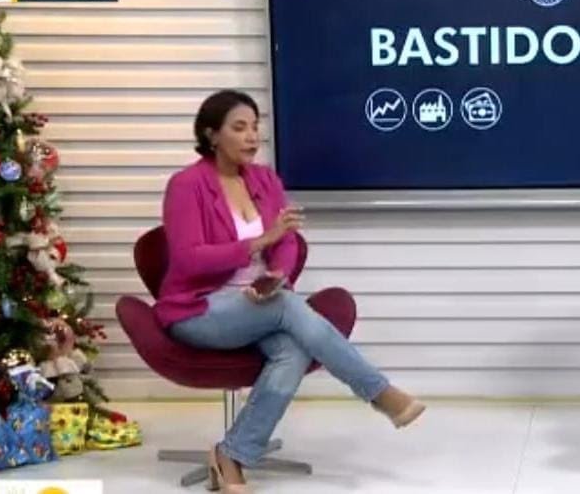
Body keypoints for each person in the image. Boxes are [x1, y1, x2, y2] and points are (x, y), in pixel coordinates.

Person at [154, 89, 425, 493]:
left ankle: (232, 454)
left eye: (255, 127)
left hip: (260, 303)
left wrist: (275, 274)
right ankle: (379, 392)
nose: (252, 136)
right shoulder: (185, 185)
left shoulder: (265, 180)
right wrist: (260, 242)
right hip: (198, 310)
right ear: (211, 135)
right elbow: (189, 259)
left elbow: (288, 240)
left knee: (292, 350)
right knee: (286, 307)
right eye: (239, 128)